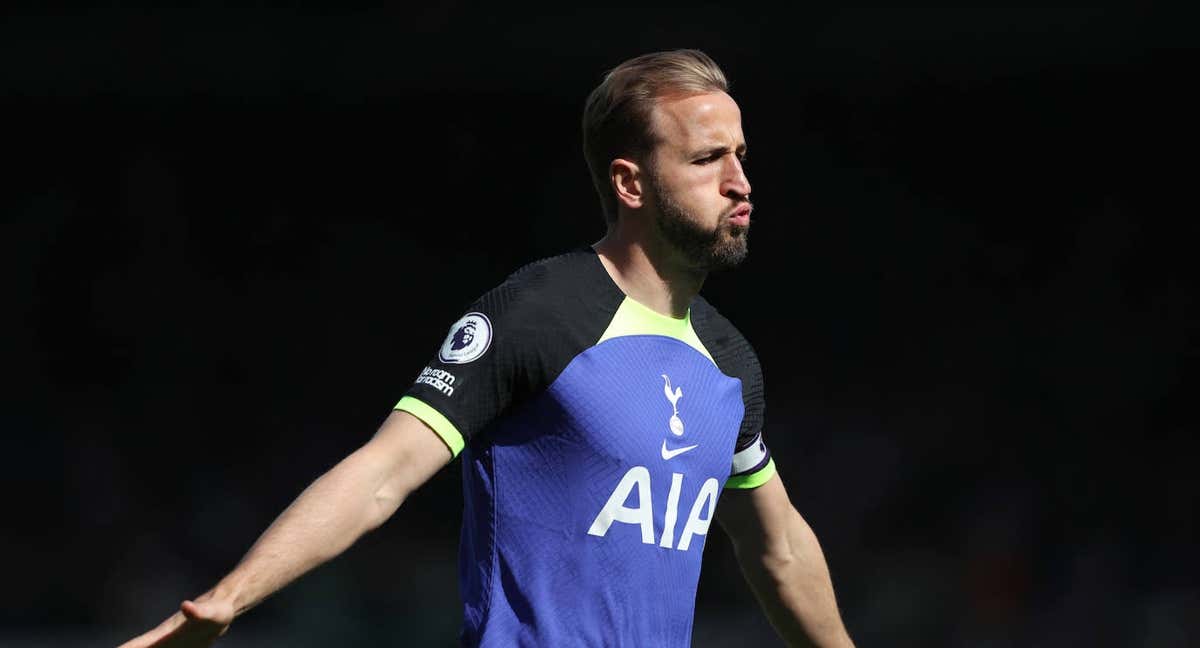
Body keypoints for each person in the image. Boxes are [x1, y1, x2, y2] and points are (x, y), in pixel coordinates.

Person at [121, 49, 855, 648]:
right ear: (631, 183)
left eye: (742, 155)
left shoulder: (730, 363)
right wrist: (227, 600)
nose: (740, 183)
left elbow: (779, 548)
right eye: (706, 160)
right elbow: (383, 473)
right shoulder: (539, 313)